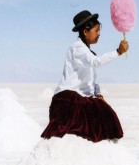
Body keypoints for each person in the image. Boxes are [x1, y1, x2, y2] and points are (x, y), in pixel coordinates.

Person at [41, 9, 129, 143]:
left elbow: (92, 80)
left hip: (81, 98)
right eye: (96, 31)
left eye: (99, 30)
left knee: (105, 112)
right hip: (68, 99)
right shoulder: (77, 48)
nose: (99, 34)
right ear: (85, 31)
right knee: (89, 123)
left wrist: (97, 93)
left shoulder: (88, 52)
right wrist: (118, 52)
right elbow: (97, 62)